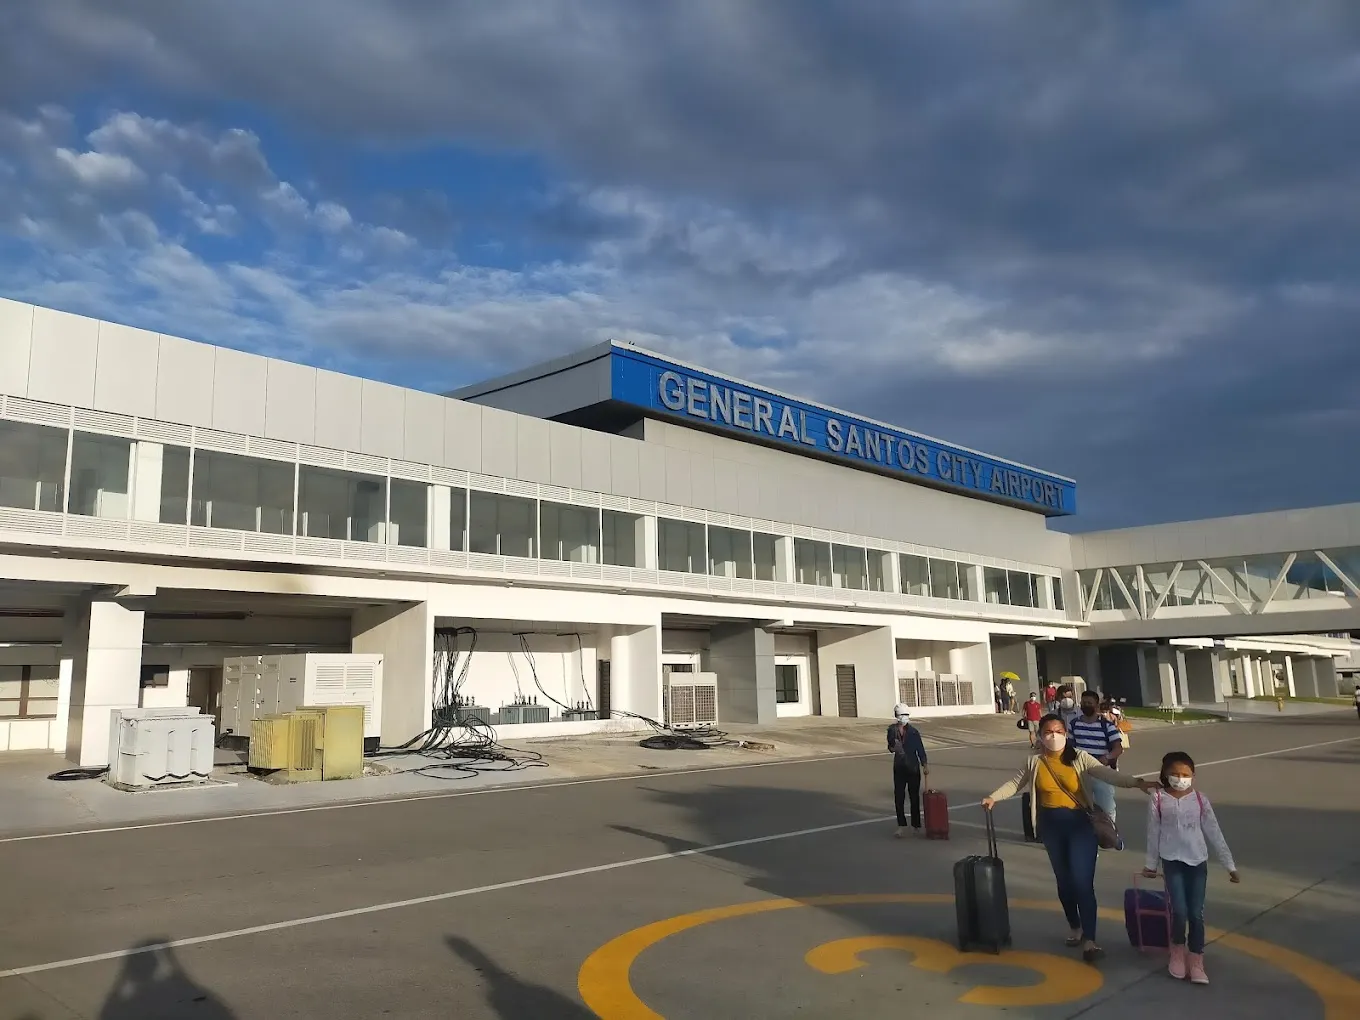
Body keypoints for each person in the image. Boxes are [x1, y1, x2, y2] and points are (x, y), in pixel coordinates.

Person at [983, 714, 1156, 963]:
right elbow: (1015, 783)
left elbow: (1106, 774)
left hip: (1079, 826)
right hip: (1051, 827)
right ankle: (1075, 927)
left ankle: (1090, 939)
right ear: (1040, 736)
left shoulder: (1079, 758)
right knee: (1064, 882)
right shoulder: (1035, 762)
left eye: (1058, 731)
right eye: (1048, 732)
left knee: (1082, 882)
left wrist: (1136, 782)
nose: (1054, 736)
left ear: (1066, 734)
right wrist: (993, 797)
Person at [1142, 752, 1239, 985]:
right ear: (1165, 774)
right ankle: (1177, 951)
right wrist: (1151, 864)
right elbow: (1153, 833)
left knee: (1196, 913)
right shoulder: (1157, 799)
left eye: (1185, 774)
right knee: (1180, 910)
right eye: (1175, 774)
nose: (1180, 778)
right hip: (1172, 860)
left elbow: (1214, 831)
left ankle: (1196, 958)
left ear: (1193, 776)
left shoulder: (1199, 800)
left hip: (1197, 861)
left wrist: (1229, 865)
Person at [1069, 689, 1124, 824]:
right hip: (1081, 772)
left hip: (1101, 772)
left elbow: (1118, 748)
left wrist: (1108, 757)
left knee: (1106, 807)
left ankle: (1110, 833)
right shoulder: (1074, 724)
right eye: (1084, 702)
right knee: (1080, 806)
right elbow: (1070, 747)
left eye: (1090, 703)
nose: (1086, 705)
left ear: (1097, 705)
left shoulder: (1107, 726)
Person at [887, 704, 929, 837]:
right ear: (896, 716)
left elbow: (920, 749)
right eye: (902, 715)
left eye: (906, 715)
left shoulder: (913, 732)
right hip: (899, 767)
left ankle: (916, 825)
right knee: (899, 797)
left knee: (914, 797)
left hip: (913, 768)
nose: (904, 718)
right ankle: (901, 826)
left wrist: (924, 764)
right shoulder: (891, 730)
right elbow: (890, 746)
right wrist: (894, 748)